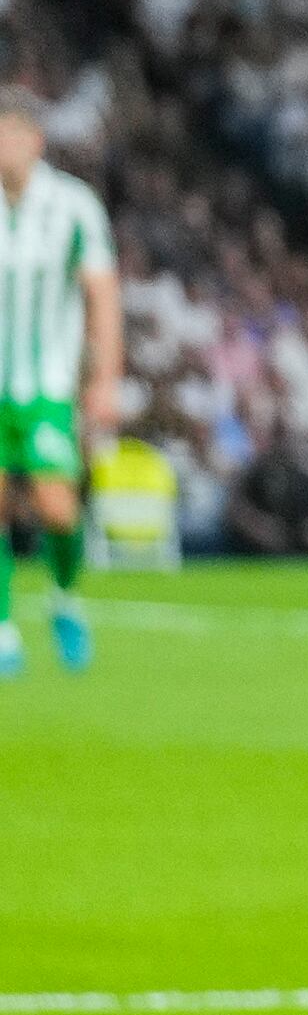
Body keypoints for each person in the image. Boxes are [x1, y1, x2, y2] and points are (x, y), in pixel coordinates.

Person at [0, 84, 122, 678]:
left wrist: (106, 376)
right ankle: (1, 628)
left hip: (46, 385)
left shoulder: (73, 204)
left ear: (35, 142)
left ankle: (64, 598)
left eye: (12, 135)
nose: (3, 146)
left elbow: (101, 292)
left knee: (57, 509)